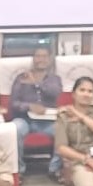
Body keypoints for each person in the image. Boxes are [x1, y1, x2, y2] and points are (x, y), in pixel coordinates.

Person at [10, 47, 62, 178]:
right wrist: (29, 106)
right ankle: (19, 170)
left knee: (63, 129)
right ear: (33, 59)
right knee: (15, 128)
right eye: (38, 56)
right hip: (25, 119)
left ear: (49, 59)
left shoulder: (54, 79)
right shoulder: (21, 78)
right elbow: (14, 103)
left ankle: (54, 169)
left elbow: (54, 93)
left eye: (44, 56)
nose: (41, 59)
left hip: (48, 121)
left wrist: (36, 83)